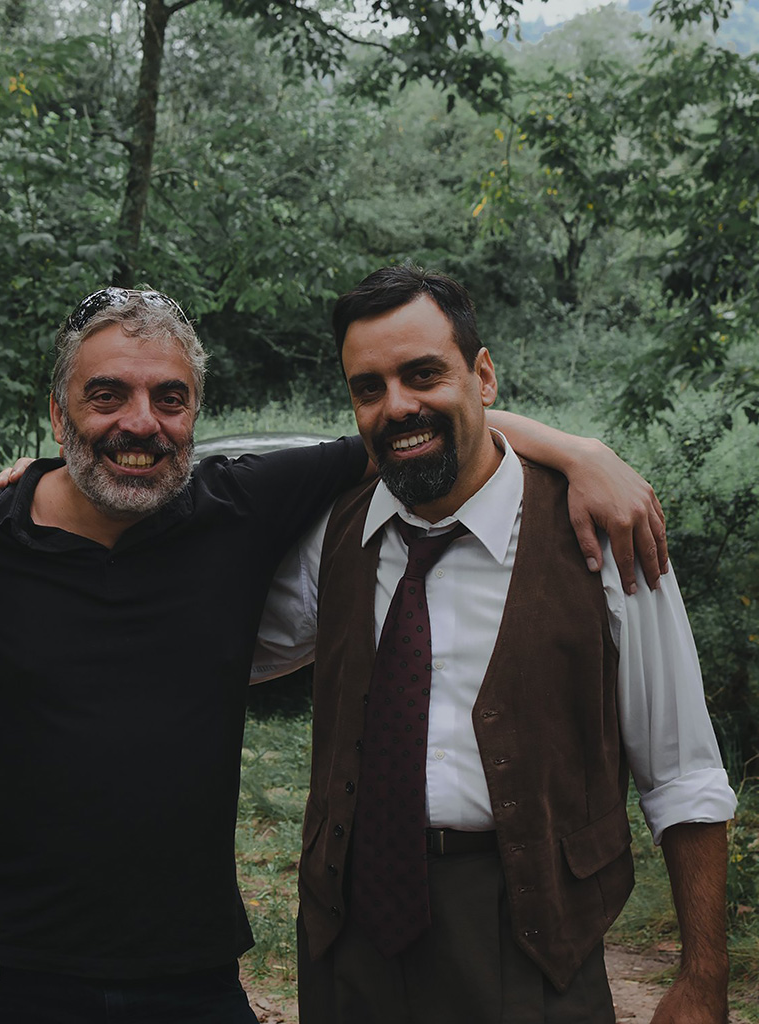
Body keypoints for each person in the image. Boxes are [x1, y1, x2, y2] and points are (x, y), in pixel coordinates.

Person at [0, 287, 666, 1024]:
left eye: (167, 399)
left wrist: (579, 450)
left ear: (195, 414)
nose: (139, 423)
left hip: (192, 972)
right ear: (57, 413)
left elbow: (416, 424)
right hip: (8, 974)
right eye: (107, 396)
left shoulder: (240, 506)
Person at [255, 264, 736, 1023]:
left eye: (423, 374)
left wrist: (704, 976)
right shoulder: (337, 534)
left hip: (534, 940)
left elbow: (683, 773)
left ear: (483, 376)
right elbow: (218, 649)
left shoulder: (604, 533)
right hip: (347, 944)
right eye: (369, 387)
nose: (397, 405)